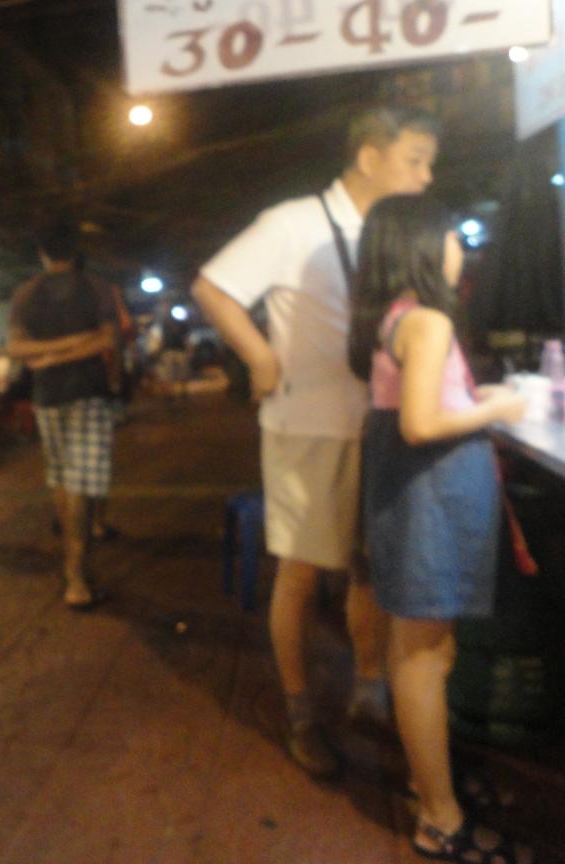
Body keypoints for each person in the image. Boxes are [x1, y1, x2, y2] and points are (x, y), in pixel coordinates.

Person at [191, 106, 440, 778]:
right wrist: (259, 357)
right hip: (307, 426)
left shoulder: (390, 232)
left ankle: (369, 689)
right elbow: (212, 288)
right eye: (415, 160)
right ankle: (301, 712)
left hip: (380, 422)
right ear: (369, 157)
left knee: (368, 568)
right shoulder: (291, 223)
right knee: (301, 574)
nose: (426, 176)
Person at [348, 195, 533, 864]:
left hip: (414, 496)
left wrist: (477, 399)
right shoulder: (425, 320)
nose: (461, 246)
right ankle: (438, 818)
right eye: (453, 235)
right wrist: (501, 409)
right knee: (426, 656)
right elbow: (421, 424)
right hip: (430, 497)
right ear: (423, 245)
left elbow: (417, 405)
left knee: (420, 651)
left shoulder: (395, 317)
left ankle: (428, 782)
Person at [8, 220, 118, 609]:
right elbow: (108, 338)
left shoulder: (25, 293)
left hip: (47, 397)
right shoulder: (97, 287)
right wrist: (76, 342)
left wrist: (50, 357)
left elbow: (16, 348)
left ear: (41, 253)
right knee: (80, 485)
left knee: (60, 478)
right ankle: (75, 576)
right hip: (88, 395)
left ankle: (72, 566)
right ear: (75, 251)